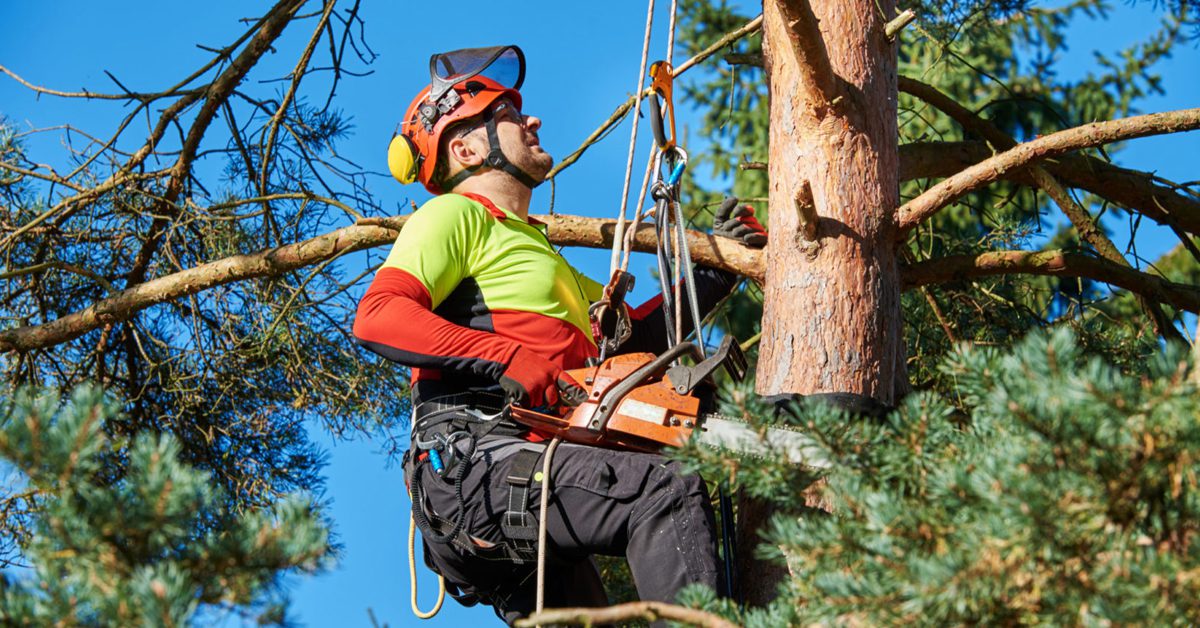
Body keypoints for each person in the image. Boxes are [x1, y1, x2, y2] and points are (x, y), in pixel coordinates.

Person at [353, 45, 767, 624]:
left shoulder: (539, 253)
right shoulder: (456, 216)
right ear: (467, 147)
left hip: (523, 473)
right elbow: (378, 314)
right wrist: (502, 356)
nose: (533, 120)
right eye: (510, 114)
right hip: (479, 464)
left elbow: (633, 344)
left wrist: (713, 274)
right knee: (665, 488)